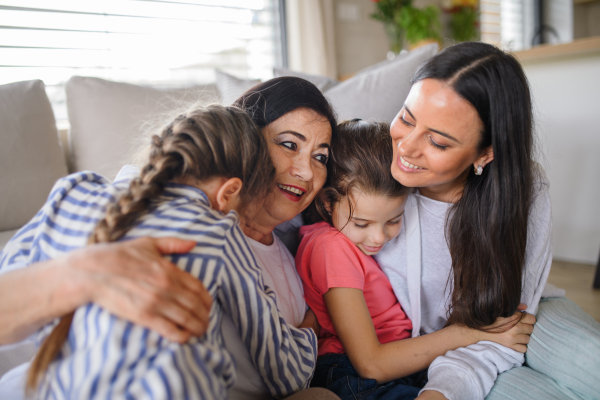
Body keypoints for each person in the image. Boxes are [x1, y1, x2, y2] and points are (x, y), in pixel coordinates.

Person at [0, 76, 340, 400]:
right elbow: (288, 370)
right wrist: (82, 273)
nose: (307, 171)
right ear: (246, 141)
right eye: (288, 144)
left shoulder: (304, 250)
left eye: (320, 157)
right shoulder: (133, 203)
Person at [295, 120, 535, 400]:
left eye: (394, 220)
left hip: (404, 361)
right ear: (327, 202)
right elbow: (371, 364)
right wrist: (473, 333)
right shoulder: (330, 247)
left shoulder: (347, 241)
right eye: (362, 223)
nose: (378, 238)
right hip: (352, 373)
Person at [373, 42, 555, 400]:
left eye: (438, 142)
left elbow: (503, 331)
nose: (406, 147)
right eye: (407, 117)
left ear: (486, 154)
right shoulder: (369, 178)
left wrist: (442, 390)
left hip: (479, 355)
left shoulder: (523, 191)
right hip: (396, 359)